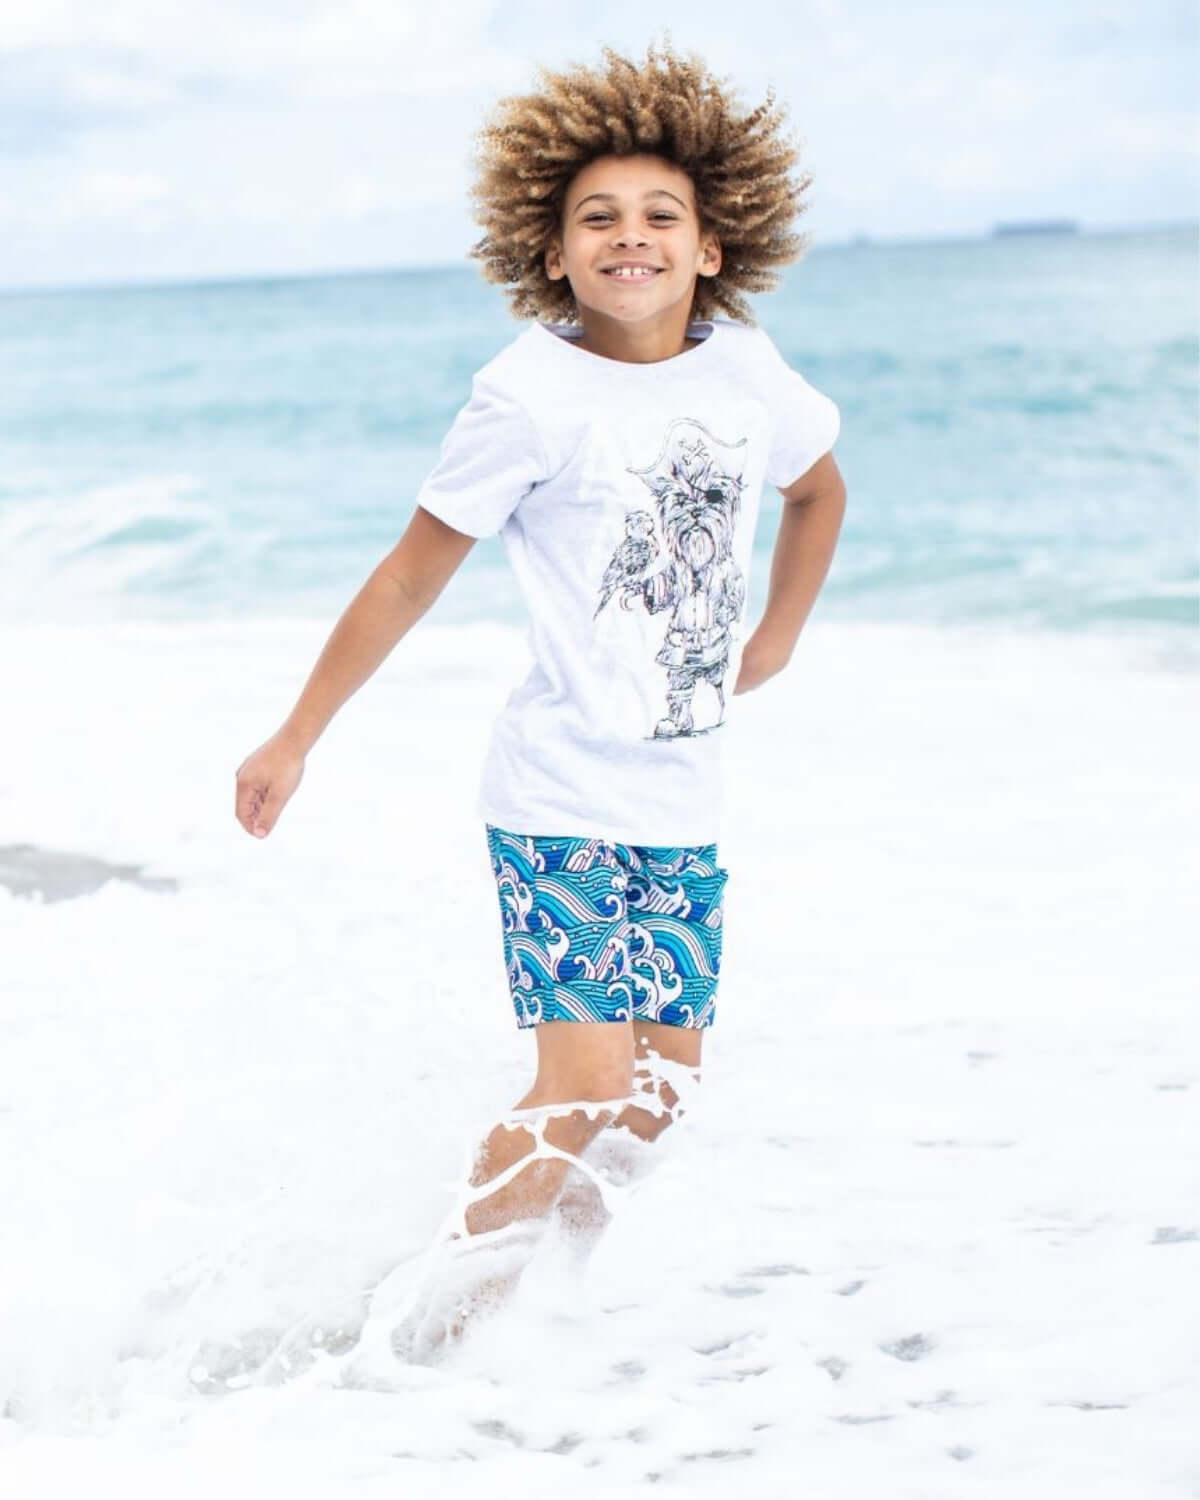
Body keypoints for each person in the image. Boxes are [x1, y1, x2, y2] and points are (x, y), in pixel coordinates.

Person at [234, 40, 846, 1361]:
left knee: (665, 1096)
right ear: (554, 254)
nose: (631, 236)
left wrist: (779, 631)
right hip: (559, 795)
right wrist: (297, 733)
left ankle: (537, 1319)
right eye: (598, 219)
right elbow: (408, 576)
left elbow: (819, 487)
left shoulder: (745, 369)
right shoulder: (523, 397)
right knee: (581, 1087)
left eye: (660, 215)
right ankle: (427, 1336)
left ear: (711, 247)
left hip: (682, 804)